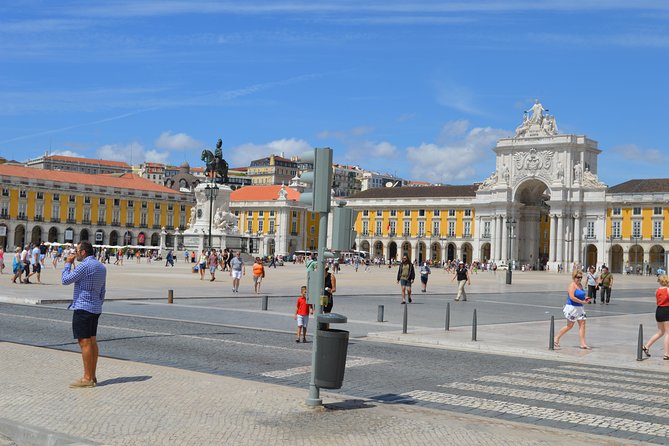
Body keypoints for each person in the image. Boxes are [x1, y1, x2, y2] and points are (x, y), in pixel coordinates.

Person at [61, 240, 107, 388]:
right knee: (92, 341)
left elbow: (65, 280)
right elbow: (102, 290)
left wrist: (68, 263)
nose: (75, 253)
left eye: (77, 251)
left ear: (83, 252)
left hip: (83, 306)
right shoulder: (101, 266)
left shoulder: (84, 266)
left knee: (84, 342)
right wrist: (98, 303)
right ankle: (92, 376)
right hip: (95, 307)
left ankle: (87, 378)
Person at [554, 270, 591, 349]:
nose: (579, 279)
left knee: (582, 324)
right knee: (570, 326)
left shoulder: (580, 285)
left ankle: (583, 343)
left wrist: (585, 298)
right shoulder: (572, 285)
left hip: (580, 308)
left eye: (581, 277)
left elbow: (581, 295)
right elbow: (572, 297)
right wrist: (582, 301)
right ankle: (556, 338)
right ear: (574, 277)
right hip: (572, 307)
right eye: (578, 277)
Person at [642, 274, 669, 360]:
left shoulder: (657, 291)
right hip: (666, 311)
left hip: (659, 311)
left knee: (660, 332)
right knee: (668, 333)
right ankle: (666, 354)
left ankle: (646, 346)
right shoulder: (668, 290)